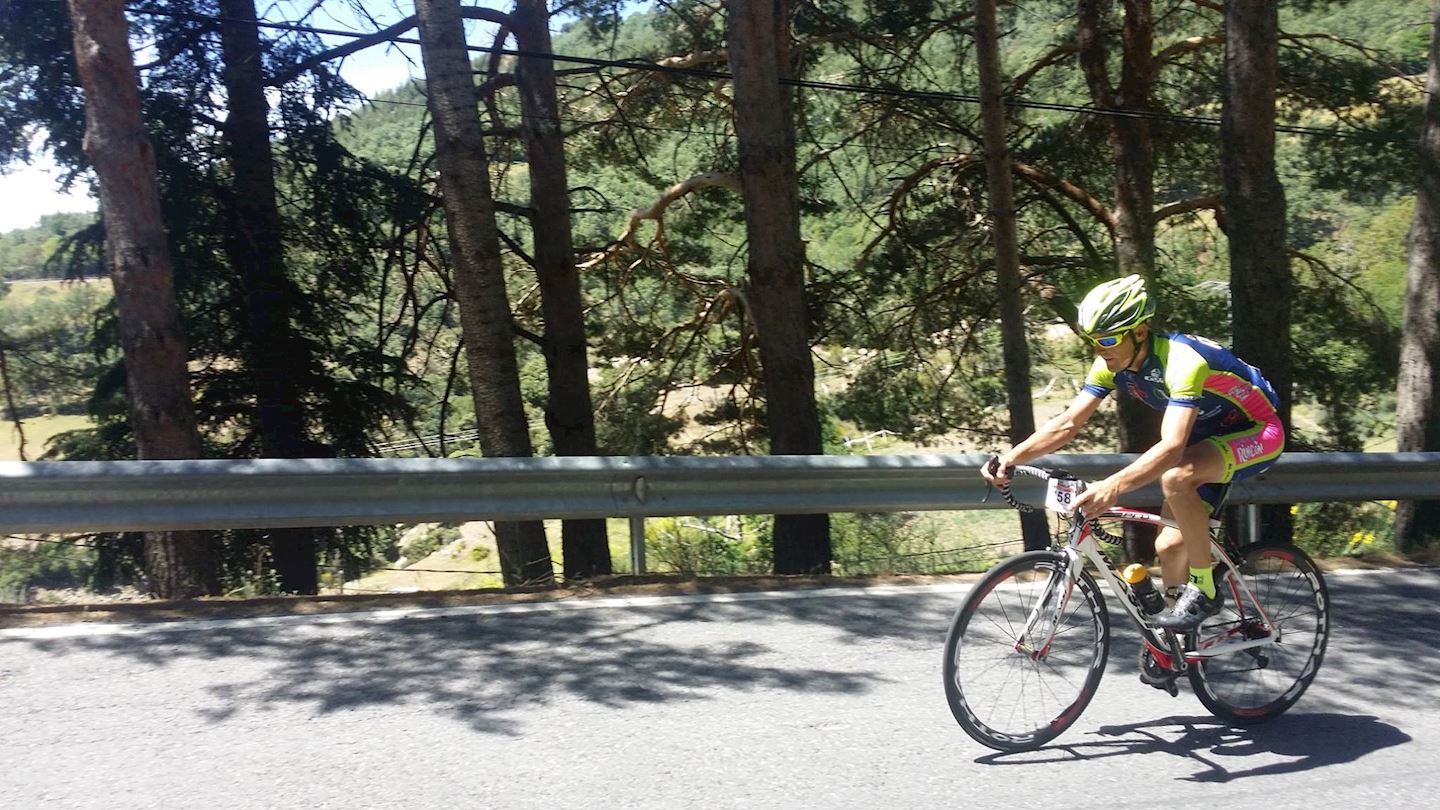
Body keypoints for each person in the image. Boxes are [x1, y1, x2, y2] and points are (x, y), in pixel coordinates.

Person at [980, 274, 1284, 630]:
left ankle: (1206, 590)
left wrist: (1113, 486)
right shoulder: (1111, 364)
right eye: (1092, 341)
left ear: (1139, 332)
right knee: (1169, 547)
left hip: (1256, 430)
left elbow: (1171, 448)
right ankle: (1172, 643)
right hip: (1204, 440)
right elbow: (1067, 425)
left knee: (1176, 475)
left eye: (1108, 339)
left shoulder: (1183, 362)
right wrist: (1011, 458)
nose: (1100, 349)